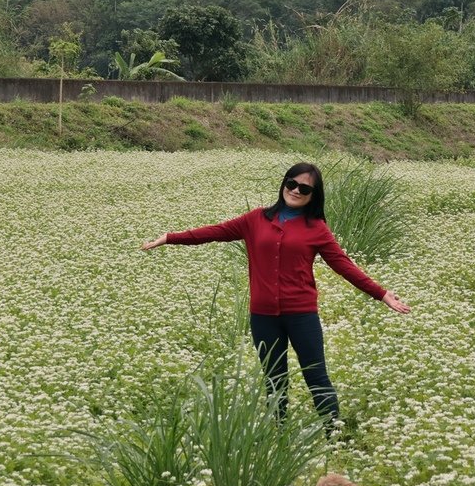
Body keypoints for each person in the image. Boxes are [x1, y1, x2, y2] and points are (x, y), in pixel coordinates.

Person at [141, 162, 410, 430]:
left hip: (302, 315)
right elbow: (214, 232)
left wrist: (381, 293)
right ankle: (279, 434)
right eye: (291, 183)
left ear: (313, 195)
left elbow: (343, 265)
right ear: (284, 183)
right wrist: (170, 237)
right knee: (274, 378)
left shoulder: (317, 228)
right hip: (263, 316)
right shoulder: (255, 219)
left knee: (316, 375)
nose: (295, 191)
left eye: (304, 188)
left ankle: (334, 435)